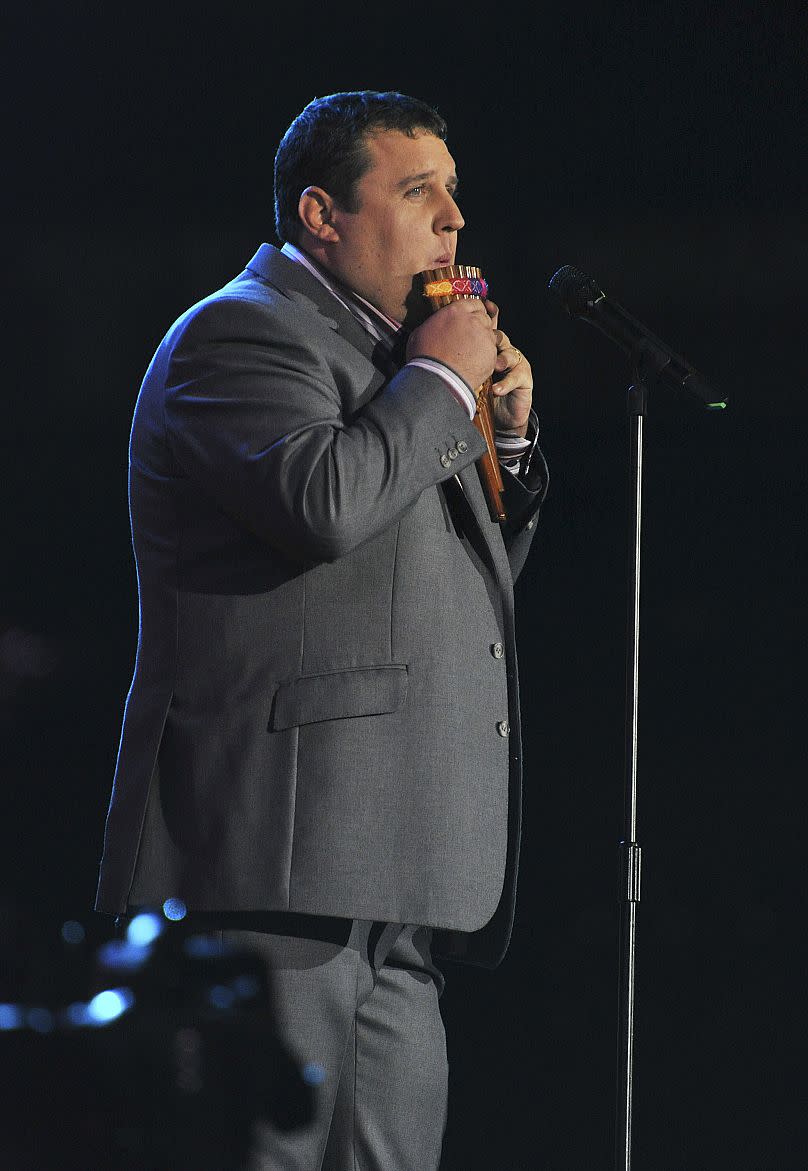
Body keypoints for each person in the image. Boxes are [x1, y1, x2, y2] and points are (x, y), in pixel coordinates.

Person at [95, 90, 548, 1169]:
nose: (452, 220)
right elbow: (324, 503)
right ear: (319, 213)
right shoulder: (237, 334)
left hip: (400, 860)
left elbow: (455, 570)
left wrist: (510, 443)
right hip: (276, 855)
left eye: (454, 195)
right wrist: (442, 379)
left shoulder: (395, 358)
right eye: (416, 191)